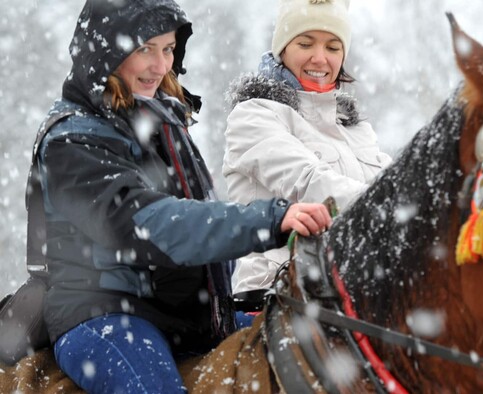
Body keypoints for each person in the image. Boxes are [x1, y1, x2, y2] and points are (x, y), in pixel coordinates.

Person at [24, 0, 332, 392]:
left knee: (316, 338)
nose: (160, 65)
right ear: (106, 51)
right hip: (103, 317)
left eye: (168, 49)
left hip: (183, 318)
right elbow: (152, 225)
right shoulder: (72, 140)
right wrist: (267, 221)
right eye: (144, 49)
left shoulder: (162, 120)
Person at [223, 0, 392, 298]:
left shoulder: (355, 129)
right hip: (275, 298)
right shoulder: (254, 116)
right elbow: (311, 183)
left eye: (332, 47)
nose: (319, 58)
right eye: (305, 43)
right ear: (283, 49)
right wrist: (397, 206)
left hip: (351, 298)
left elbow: (391, 182)